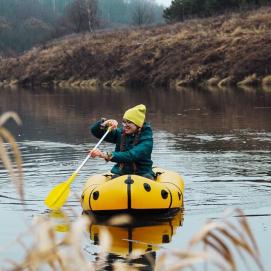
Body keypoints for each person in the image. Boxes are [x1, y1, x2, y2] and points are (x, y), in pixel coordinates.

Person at [90, 104, 155, 180]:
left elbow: (131, 156)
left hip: (143, 174)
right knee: (115, 178)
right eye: (124, 122)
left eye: (129, 122)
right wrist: (105, 123)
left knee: (147, 178)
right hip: (122, 173)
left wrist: (104, 154)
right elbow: (95, 132)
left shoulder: (147, 140)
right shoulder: (121, 134)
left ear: (138, 124)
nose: (125, 125)